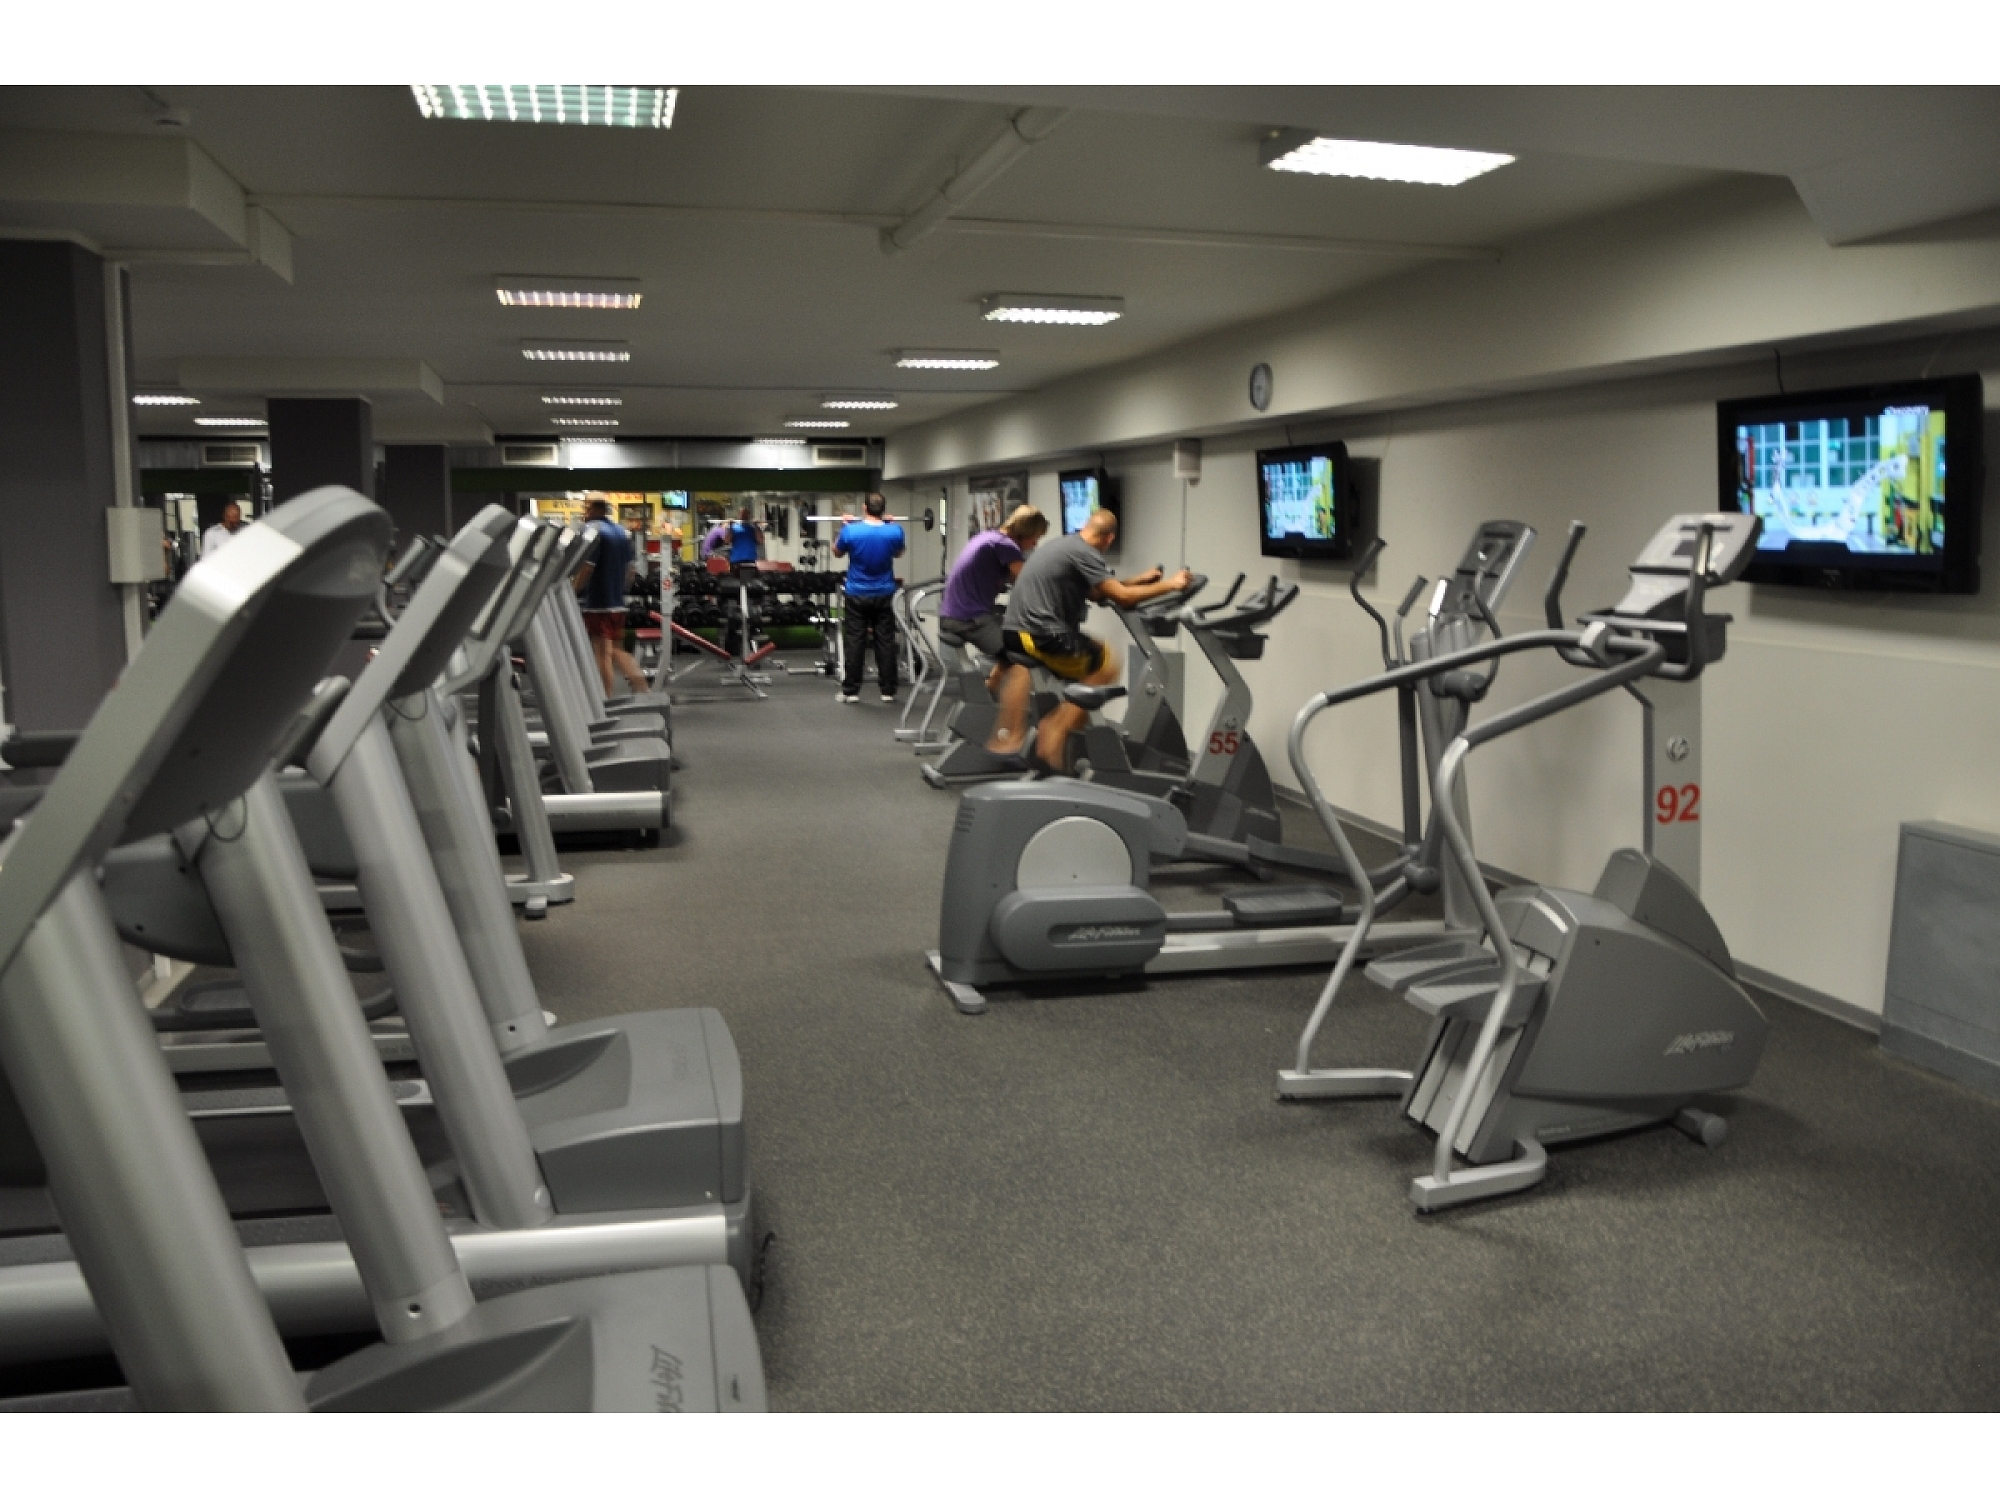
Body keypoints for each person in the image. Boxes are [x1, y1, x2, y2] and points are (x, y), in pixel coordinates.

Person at [991, 508, 1191, 772]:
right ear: (1109, 539)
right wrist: (1172, 585)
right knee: (1105, 662)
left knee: (1030, 670)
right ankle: (1056, 730)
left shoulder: (1064, 545)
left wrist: (1140, 581)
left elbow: (1098, 593)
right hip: (1042, 635)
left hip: (1014, 632)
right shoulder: (1085, 552)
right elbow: (1122, 597)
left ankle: (1009, 739)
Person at [940, 505, 1049, 693]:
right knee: (1019, 654)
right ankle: (997, 694)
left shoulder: (987, 537)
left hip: (954, 613)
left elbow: (1009, 578)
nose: (1035, 544)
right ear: (1026, 532)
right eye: (1035, 538)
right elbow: (1026, 581)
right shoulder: (1006, 546)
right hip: (968, 619)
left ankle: (990, 688)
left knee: (1015, 638)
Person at [834, 494, 906, 704]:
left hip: (857, 593)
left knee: (855, 641)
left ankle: (851, 691)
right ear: (883, 509)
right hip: (884, 593)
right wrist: (890, 525)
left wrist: (843, 526)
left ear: (865, 508)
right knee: (885, 641)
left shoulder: (850, 530)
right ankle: (888, 691)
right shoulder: (895, 530)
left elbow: (837, 552)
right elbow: (898, 553)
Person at [573, 499, 648, 698]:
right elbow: (631, 572)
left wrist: (573, 590)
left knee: (602, 652)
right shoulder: (621, 532)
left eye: (586, 508)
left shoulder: (593, 530)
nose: (584, 512)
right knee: (617, 649)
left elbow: (587, 568)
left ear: (595, 509)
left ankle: (605, 699)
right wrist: (619, 591)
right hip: (617, 604)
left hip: (598, 604)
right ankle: (643, 689)